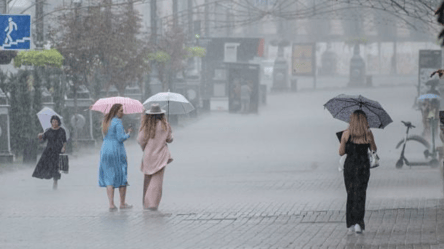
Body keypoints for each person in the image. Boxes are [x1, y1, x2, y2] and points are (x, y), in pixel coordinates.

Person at [339, 110, 377, 234]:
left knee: (350, 194)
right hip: (363, 167)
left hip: (350, 166)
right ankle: (359, 224)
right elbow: (374, 149)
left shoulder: (346, 134)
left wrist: (343, 139)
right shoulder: (368, 134)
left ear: (352, 120)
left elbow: (341, 152)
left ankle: (350, 223)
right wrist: (370, 139)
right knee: (361, 194)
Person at [137, 104, 173, 211]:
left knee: (147, 179)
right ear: (161, 114)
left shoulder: (146, 126)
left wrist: (145, 146)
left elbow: (140, 140)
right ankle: (152, 203)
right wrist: (169, 130)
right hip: (161, 155)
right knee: (157, 180)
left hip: (148, 155)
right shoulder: (164, 125)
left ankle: (146, 202)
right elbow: (170, 139)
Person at [98, 103, 133, 211]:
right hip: (116, 150)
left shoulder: (106, 122)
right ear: (115, 111)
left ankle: (111, 204)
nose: (123, 113)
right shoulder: (117, 122)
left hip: (105, 149)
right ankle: (122, 203)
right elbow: (120, 138)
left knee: (109, 176)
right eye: (121, 111)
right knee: (122, 174)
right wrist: (128, 133)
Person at [32, 115, 67, 190]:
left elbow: (64, 140)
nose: (54, 123)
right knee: (47, 165)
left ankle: (55, 181)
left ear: (58, 122)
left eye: (56, 121)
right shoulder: (48, 131)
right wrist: (40, 136)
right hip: (49, 150)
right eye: (53, 122)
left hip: (58, 151)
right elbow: (42, 140)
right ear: (51, 122)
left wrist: (64, 147)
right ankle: (47, 175)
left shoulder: (62, 130)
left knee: (57, 166)